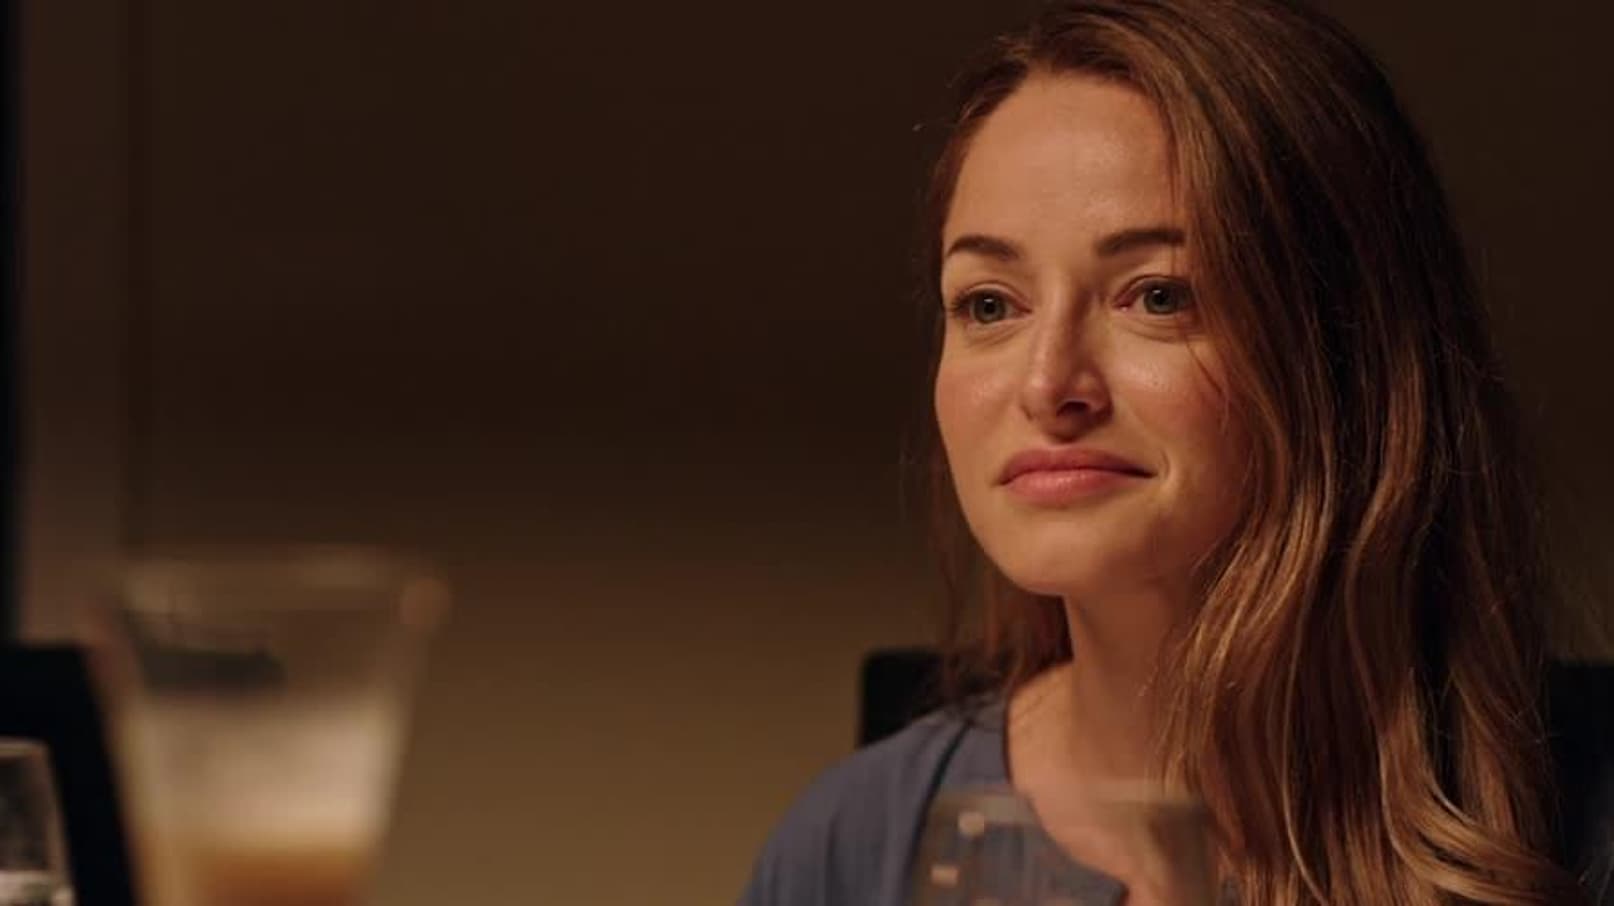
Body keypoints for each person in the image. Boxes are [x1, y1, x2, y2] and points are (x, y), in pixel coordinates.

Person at [739, 1, 1613, 904]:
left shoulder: (1587, 818)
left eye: (1158, 296)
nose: (1048, 382)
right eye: (990, 305)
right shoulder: (848, 847)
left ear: (1345, 356)